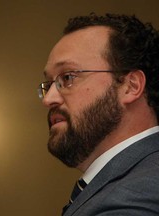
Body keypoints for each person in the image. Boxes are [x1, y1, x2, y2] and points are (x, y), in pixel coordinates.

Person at [37, 13, 159, 215]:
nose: (48, 99)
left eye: (68, 77)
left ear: (130, 86)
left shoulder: (136, 198)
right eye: (48, 84)